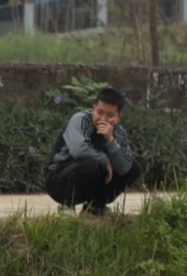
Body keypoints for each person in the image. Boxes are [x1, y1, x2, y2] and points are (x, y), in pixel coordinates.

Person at [45, 87, 141, 216]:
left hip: (93, 179)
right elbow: (79, 150)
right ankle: (67, 206)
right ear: (93, 108)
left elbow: (125, 167)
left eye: (110, 115)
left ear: (119, 116)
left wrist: (110, 140)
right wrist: (106, 161)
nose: (103, 118)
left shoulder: (119, 132)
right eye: (99, 112)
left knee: (134, 169)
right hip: (59, 180)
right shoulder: (80, 119)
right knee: (89, 163)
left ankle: (95, 207)